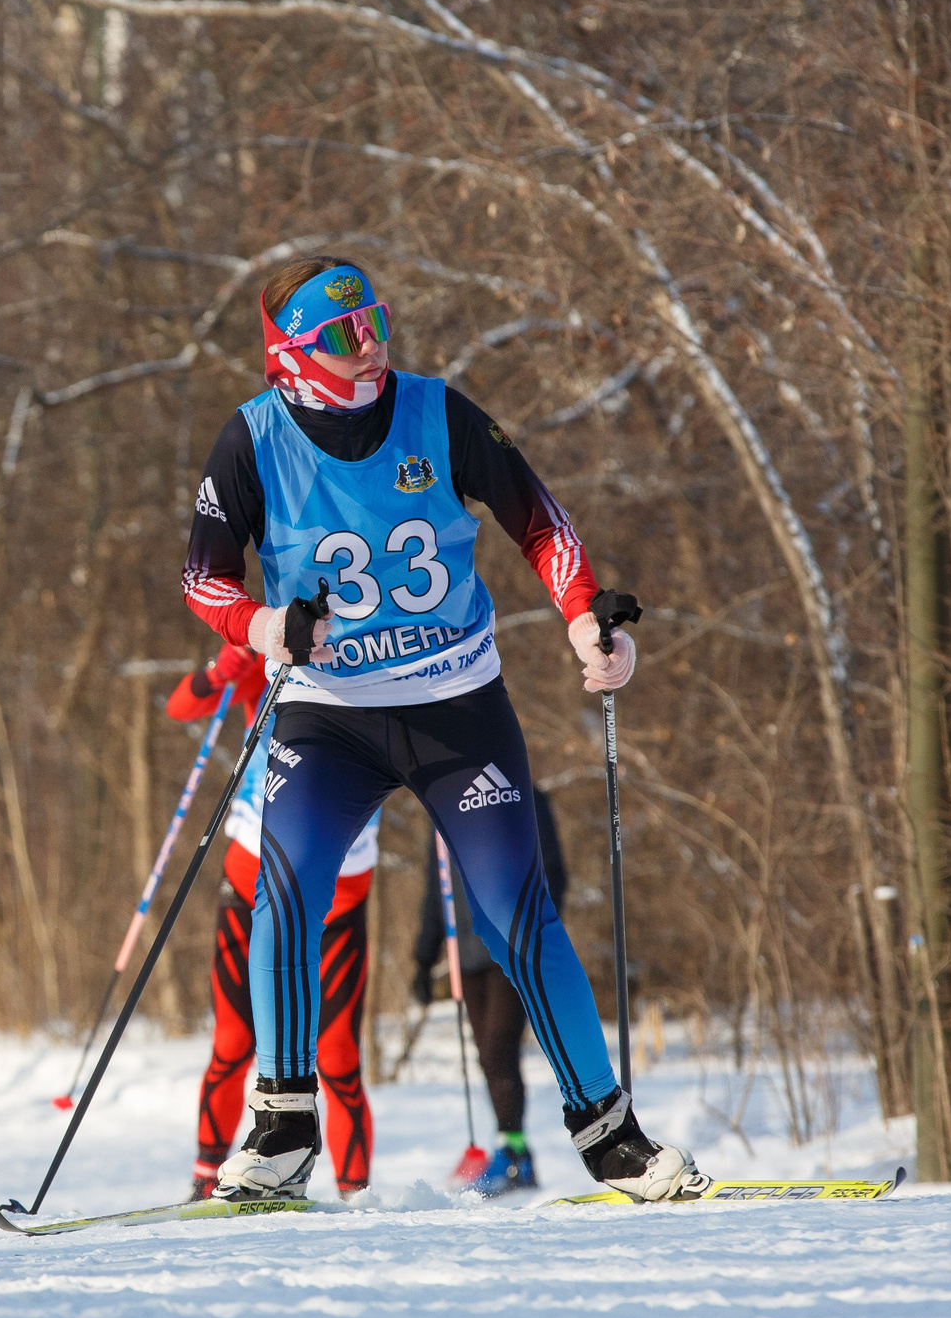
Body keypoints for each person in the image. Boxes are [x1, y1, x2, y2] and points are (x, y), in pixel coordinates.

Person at [180, 253, 698, 1202]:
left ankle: (609, 1134)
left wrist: (585, 620)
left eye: (375, 318)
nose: (371, 339)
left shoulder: (436, 410)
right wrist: (264, 625)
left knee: (516, 913)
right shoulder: (250, 441)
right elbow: (201, 576)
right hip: (327, 717)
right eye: (344, 332)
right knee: (286, 892)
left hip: (455, 704)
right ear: (294, 352)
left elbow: (541, 521)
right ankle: (285, 1131)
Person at [166, 644, 378, 1201]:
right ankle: (205, 1178)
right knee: (233, 1044)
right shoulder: (273, 649)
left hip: (339, 899)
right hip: (250, 884)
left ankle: (355, 1192)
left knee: (337, 1058)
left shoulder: (384, 652)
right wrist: (220, 671)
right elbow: (182, 707)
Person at [409, 786, 568, 1194]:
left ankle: (513, 1153)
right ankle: (513, 1150)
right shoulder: (440, 810)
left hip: (510, 947)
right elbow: (436, 889)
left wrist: (535, 932)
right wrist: (424, 960)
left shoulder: (524, 798)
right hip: (465, 953)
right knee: (488, 1056)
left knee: (499, 1049)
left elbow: (554, 871)